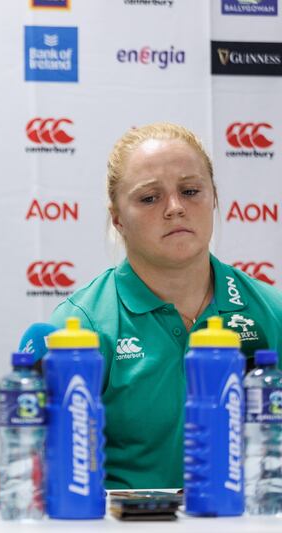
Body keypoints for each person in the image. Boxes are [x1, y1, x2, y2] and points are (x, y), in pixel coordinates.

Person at [49, 123, 282, 490]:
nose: (175, 208)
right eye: (149, 198)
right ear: (117, 217)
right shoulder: (81, 325)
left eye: (190, 191)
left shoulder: (271, 311)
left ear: (215, 197)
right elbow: (57, 473)